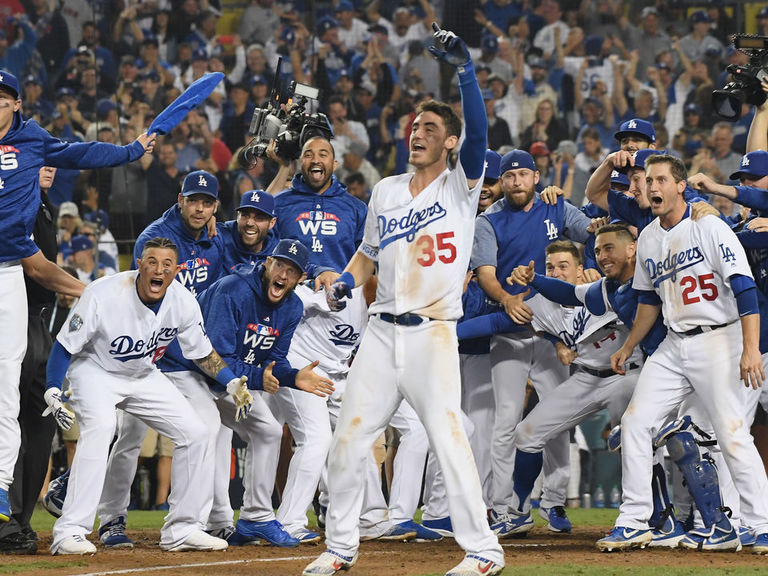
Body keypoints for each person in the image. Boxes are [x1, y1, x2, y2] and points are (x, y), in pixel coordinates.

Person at [303, 25, 505, 576]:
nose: (418, 133)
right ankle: (342, 546)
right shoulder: (387, 190)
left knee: (447, 436)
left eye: (431, 128)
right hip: (380, 331)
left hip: (432, 333)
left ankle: (484, 551)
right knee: (348, 439)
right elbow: (366, 257)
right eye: (416, 125)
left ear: (450, 143)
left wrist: (465, 71)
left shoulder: (461, 186)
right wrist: (342, 281)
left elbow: (481, 134)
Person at [0, 69, 154, 527]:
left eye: (3, 97)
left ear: (16, 105)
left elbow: (84, 152)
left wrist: (130, 150)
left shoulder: (33, 140)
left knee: (6, 383)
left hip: (9, 270)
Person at [597, 154, 768, 554]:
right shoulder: (651, 237)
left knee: (730, 434)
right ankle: (635, 520)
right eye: (647, 180)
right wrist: (627, 345)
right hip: (675, 343)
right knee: (636, 423)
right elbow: (647, 302)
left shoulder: (709, 225)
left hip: (718, 338)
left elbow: (744, 290)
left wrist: (749, 349)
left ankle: (760, 524)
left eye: (660, 179)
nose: (651, 187)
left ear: (679, 186)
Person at [46, 237, 252, 555]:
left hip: (142, 374)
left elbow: (203, 353)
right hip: (94, 371)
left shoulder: (183, 301)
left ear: (178, 270)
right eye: (152, 262)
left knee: (196, 433)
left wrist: (230, 382)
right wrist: (53, 387)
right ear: (139, 265)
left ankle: (182, 530)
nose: (159, 269)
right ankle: (70, 531)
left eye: (167, 264)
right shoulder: (102, 292)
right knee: (102, 428)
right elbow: (64, 345)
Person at [160, 239, 334, 547]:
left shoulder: (292, 307)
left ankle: (256, 517)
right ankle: (188, 526)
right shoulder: (234, 289)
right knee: (207, 429)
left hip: (227, 379)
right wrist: (256, 378)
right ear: (267, 263)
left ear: (300, 279)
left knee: (268, 430)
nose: (283, 273)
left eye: (292, 270)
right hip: (186, 368)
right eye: (280, 264)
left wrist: (293, 377)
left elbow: (274, 362)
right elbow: (214, 356)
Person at [471, 148, 595, 537]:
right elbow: (486, 273)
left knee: (558, 420)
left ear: (536, 177)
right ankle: (504, 506)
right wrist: (506, 298)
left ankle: (554, 502)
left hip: (552, 334)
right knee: (506, 420)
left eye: (523, 175)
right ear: (503, 182)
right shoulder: (488, 221)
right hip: (509, 329)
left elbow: (593, 229)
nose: (516, 182)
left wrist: (589, 262)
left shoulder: (555, 207)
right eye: (509, 177)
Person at [218, 189, 279, 273]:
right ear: (238, 216)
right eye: (245, 215)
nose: (249, 223)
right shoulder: (220, 236)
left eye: (259, 218)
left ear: (272, 223)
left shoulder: (277, 254)